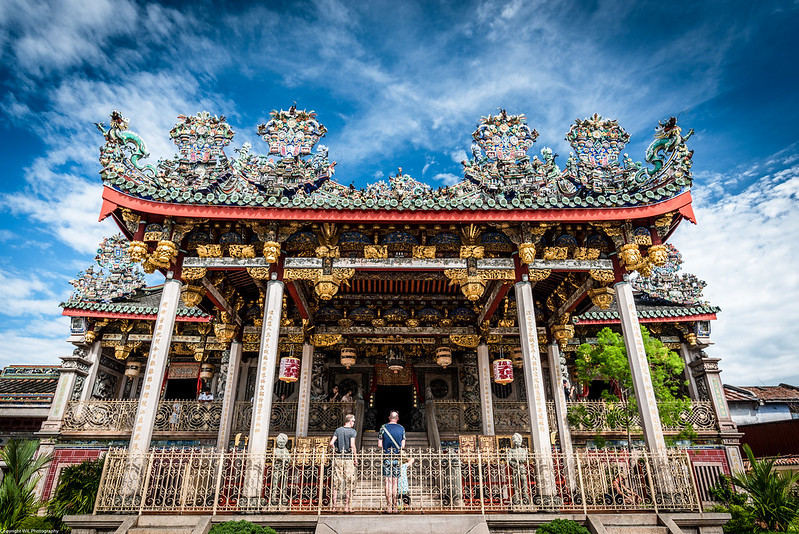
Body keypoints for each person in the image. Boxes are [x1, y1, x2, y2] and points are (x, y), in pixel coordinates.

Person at [377, 411, 405, 513]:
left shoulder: (383, 428)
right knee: (395, 482)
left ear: (389, 418)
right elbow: (403, 446)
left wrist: (386, 446)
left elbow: (380, 444)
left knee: (387, 481)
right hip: (397, 458)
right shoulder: (401, 428)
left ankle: (389, 506)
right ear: (397, 418)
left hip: (387, 457)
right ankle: (395, 506)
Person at [329, 413, 358, 512]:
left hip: (339, 457)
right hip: (348, 457)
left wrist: (335, 450)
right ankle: (347, 506)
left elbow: (331, 443)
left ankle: (334, 506)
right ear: (350, 421)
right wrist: (355, 458)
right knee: (349, 482)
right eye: (353, 421)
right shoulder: (352, 431)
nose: (354, 422)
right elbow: (352, 445)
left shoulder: (338, 430)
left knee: (336, 481)